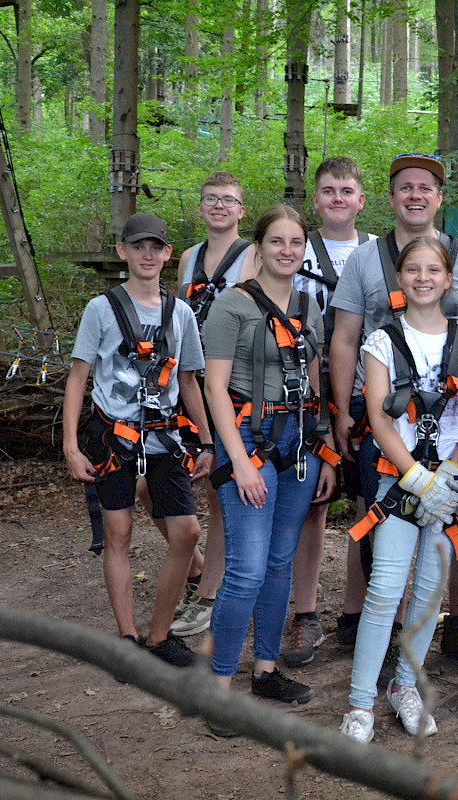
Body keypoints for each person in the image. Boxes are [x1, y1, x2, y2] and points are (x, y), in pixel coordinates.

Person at [329, 152, 458, 665]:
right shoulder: (364, 259)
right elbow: (344, 337)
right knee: (377, 511)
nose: (416, 195)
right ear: (392, 197)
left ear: (439, 198)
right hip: (381, 406)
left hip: (451, 413)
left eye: (426, 187)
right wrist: (341, 410)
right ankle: (372, 622)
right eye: (406, 187)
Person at [339, 237, 458, 743]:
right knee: (384, 589)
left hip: (450, 478)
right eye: (413, 270)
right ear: (400, 279)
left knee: (428, 591)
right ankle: (360, 703)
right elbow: (378, 415)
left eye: (433, 270)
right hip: (397, 483)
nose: (423, 278)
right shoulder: (382, 340)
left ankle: (406, 686)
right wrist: (415, 477)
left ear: (448, 279)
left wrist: (456, 471)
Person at [201, 206, 337, 719]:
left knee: (280, 562)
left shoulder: (309, 306)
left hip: (297, 445)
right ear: (258, 247)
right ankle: (217, 688)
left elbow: (317, 381)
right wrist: (237, 460)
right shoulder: (231, 306)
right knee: (247, 568)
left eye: (296, 243)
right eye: (277, 242)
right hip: (248, 441)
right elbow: (214, 386)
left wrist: (323, 448)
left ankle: (264, 668)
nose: (287, 251)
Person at [62, 212, 213, 668]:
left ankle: (159, 635)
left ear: (168, 255)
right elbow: (78, 377)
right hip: (113, 437)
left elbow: (188, 381)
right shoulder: (101, 309)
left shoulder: (180, 313)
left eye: (156, 247)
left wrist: (206, 442)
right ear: (122, 251)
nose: (147, 255)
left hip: (164, 436)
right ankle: (127, 638)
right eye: (138, 246)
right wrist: (71, 445)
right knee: (119, 532)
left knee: (186, 533)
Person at [284, 157, 375, 668]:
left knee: (369, 501)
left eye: (347, 190)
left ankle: (356, 613)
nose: (338, 198)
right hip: (304, 391)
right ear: (315, 200)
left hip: (367, 393)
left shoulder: (378, 254)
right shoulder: (295, 249)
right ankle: (305, 612)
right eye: (328, 191)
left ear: (362, 200)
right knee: (312, 503)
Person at [168, 170, 256, 638]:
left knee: (219, 494)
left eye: (229, 199)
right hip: (186, 382)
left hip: (228, 382)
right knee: (158, 484)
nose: (219, 206)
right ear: (200, 207)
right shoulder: (187, 258)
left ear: (242, 210)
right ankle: (201, 567)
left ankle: (209, 594)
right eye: (210, 199)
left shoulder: (252, 257)